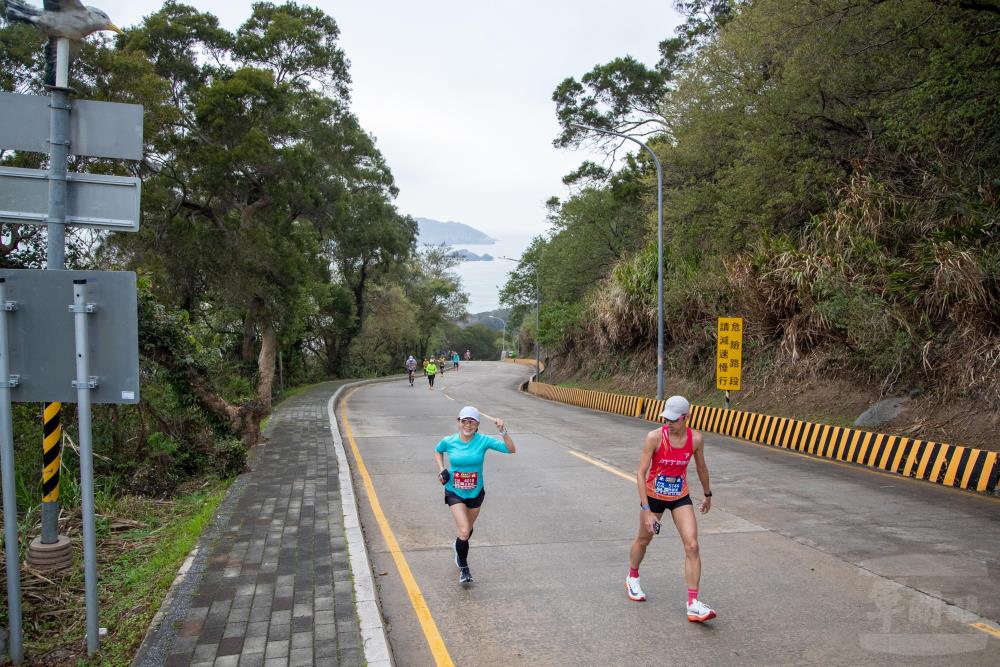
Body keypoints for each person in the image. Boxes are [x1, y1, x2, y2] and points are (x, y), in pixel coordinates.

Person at [625, 395, 716, 622]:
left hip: (679, 497)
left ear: (687, 417)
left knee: (692, 545)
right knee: (644, 540)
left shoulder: (695, 439)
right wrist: (646, 510)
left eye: (674, 420)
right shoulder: (654, 437)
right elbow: (640, 473)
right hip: (654, 498)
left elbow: (702, 468)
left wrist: (707, 494)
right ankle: (632, 577)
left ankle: (693, 603)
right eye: (667, 418)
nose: (669, 423)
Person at [433, 406, 515, 584]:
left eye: (472, 422)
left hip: (476, 492)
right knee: (463, 530)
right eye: (464, 421)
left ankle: (458, 545)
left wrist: (503, 431)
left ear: (477, 424)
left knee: (468, 530)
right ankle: (463, 567)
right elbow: (437, 450)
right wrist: (441, 469)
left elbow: (510, 449)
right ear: (458, 422)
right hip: (454, 490)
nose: (468, 425)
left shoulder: (483, 441)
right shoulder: (449, 441)